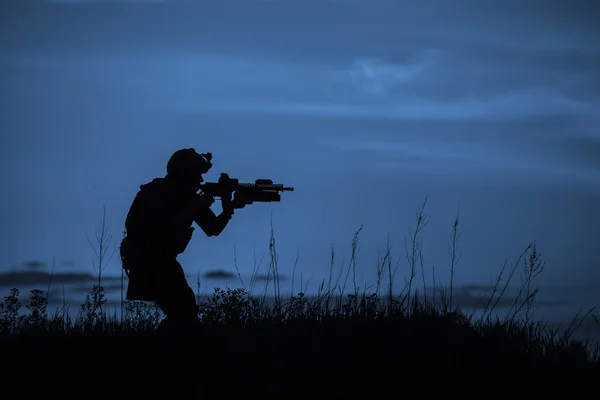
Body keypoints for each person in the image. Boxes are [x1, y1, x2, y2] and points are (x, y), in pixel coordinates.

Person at [119, 148, 245, 338]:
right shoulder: (163, 194)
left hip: (158, 261)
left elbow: (212, 228)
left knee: (183, 312)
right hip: (152, 261)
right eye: (197, 174)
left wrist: (229, 207)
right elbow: (165, 225)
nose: (200, 180)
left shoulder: (178, 195)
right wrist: (204, 206)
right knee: (184, 313)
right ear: (185, 172)